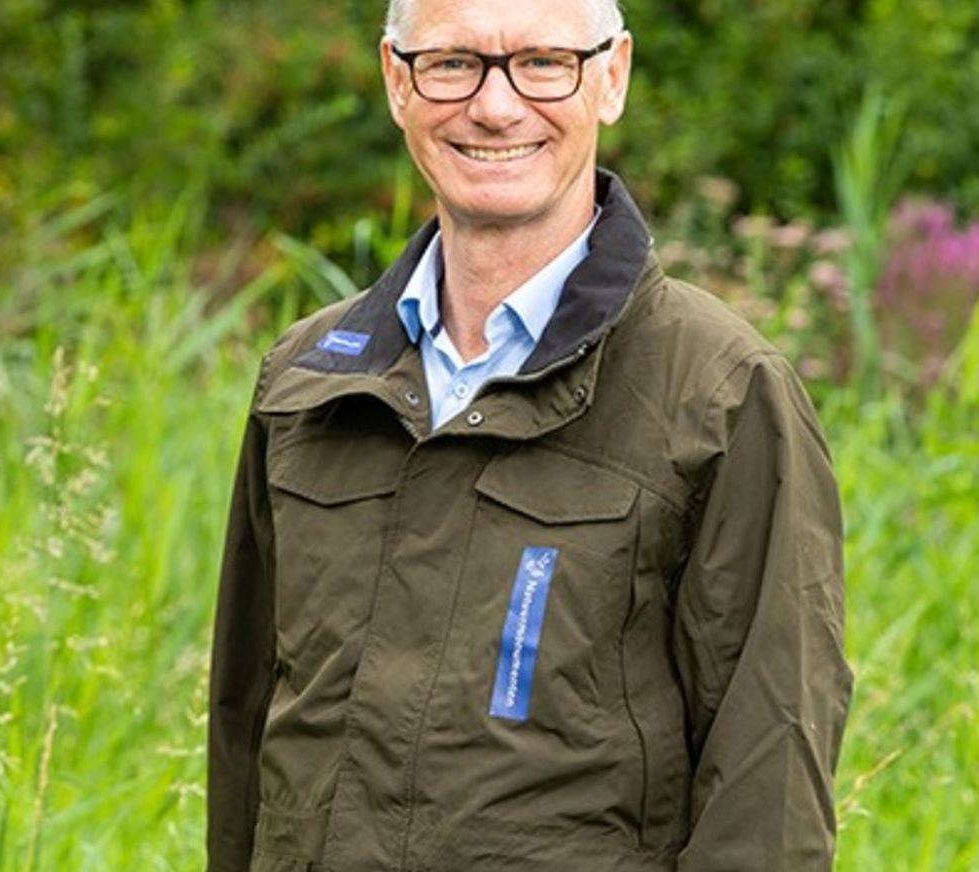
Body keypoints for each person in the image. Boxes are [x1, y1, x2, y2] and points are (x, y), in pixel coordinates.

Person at [206, 0, 851, 868]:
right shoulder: (309, 380)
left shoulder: (722, 394)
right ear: (398, 80)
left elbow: (769, 785)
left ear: (611, 75)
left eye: (545, 61)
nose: (496, 106)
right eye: (452, 62)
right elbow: (244, 727)